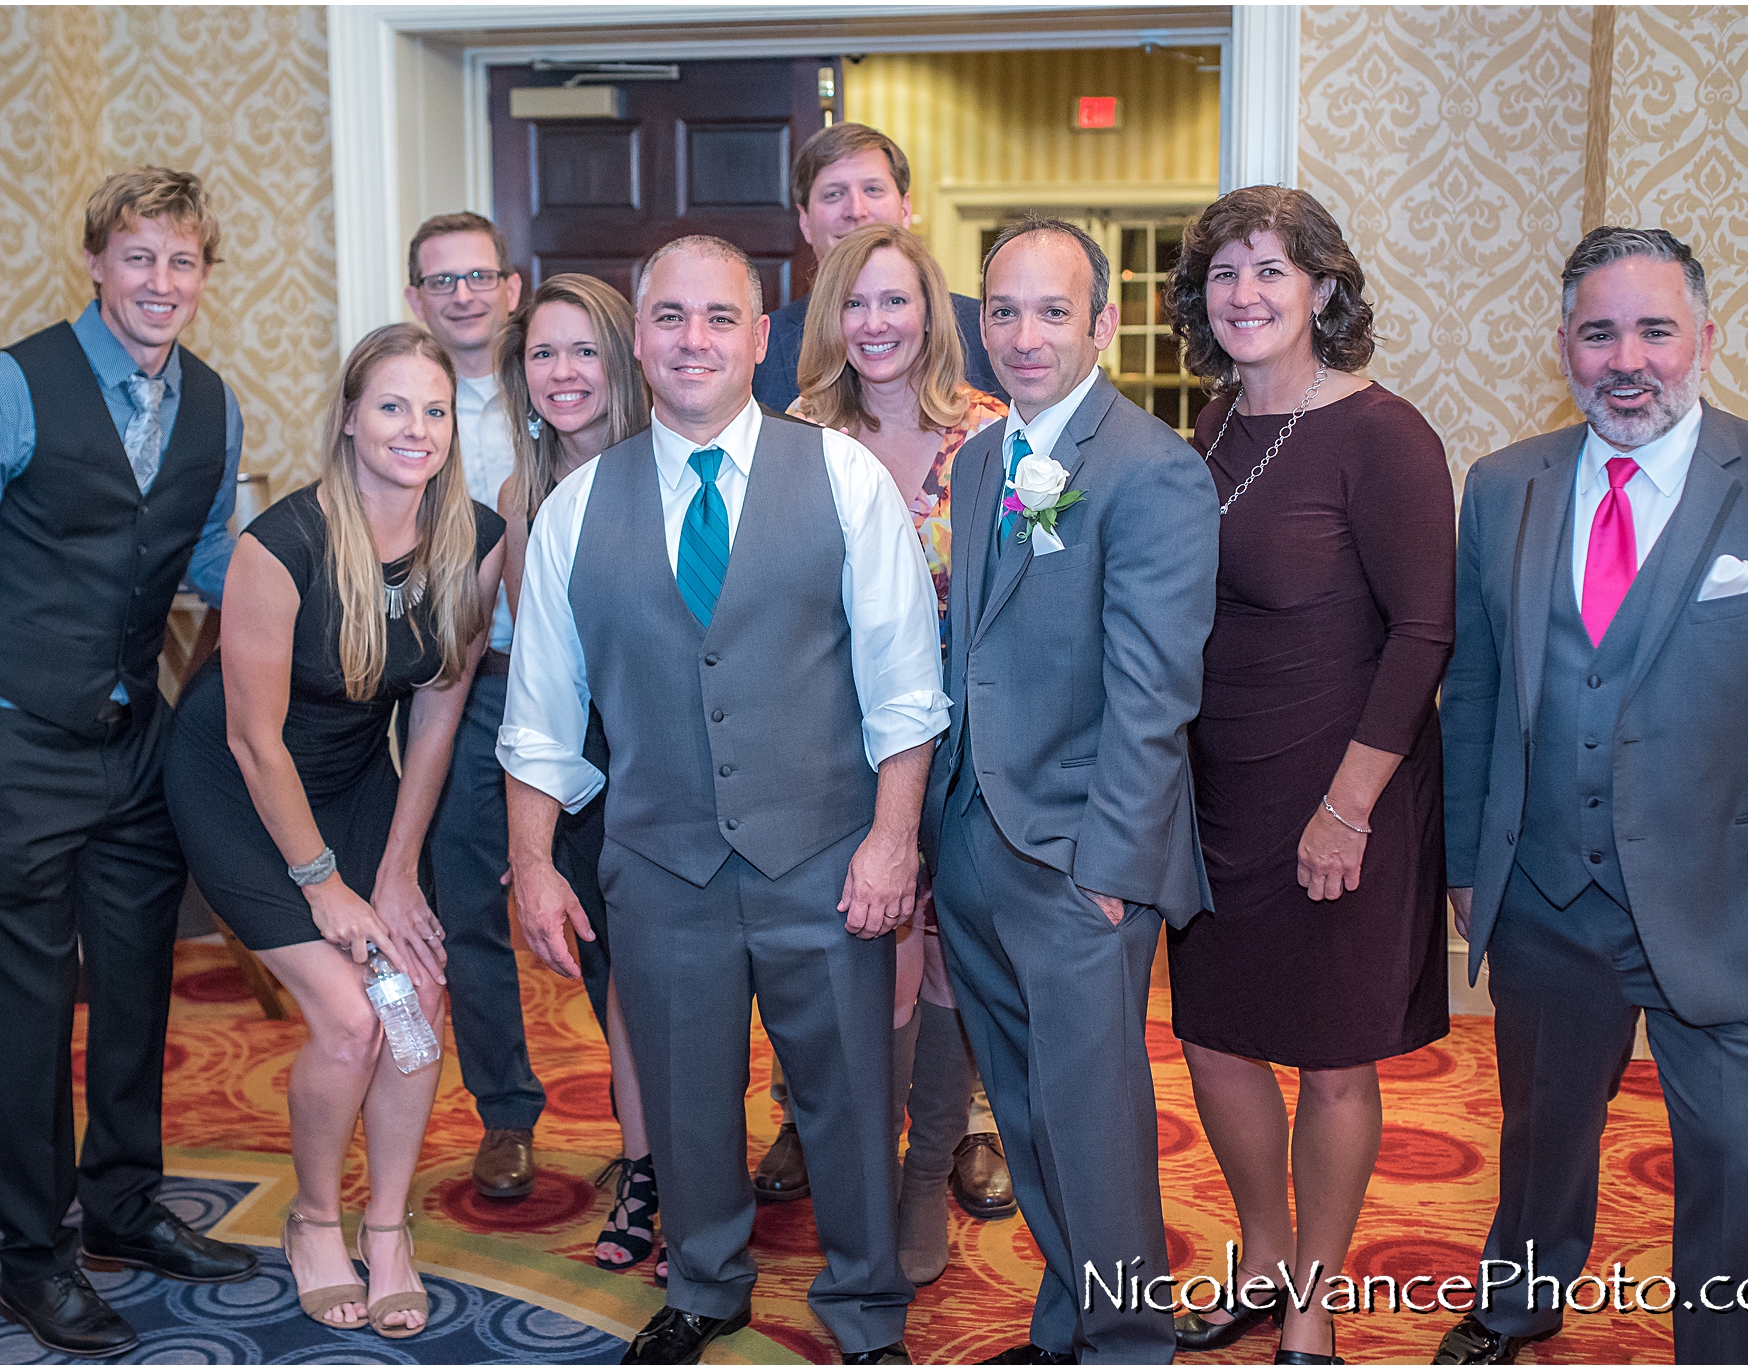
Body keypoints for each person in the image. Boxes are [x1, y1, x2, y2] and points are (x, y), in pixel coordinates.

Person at [1433, 227, 1748, 1365]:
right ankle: (1518, 1299)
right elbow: (1476, 693)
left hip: (1737, 911)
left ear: (1701, 336)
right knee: (1540, 1133)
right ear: (1562, 348)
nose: (1623, 357)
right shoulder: (1502, 487)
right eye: (1597, 333)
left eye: (1652, 328)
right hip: (1544, 897)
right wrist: (1462, 863)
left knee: (1736, 1162)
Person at [500, 234, 945, 1365]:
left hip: (824, 857)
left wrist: (893, 841)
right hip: (658, 867)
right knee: (687, 1099)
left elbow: (905, 687)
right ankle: (702, 1284)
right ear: (637, 340)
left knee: (845, 1100)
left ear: (760, 337)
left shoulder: (842, 478)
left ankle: (863, 1306)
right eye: (668, 318)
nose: (691, 340)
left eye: (717, 318)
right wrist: (536, 863)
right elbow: (542, 718)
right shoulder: (572, 512)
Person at [0, 166, 259, 1358]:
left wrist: (322, 598)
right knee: (33, 1014)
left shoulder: (212, 404)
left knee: (142, 992)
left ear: (204, 277)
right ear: (97, 262)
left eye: (184, 261)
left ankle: (124, 1209)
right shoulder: (3, 386)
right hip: (14, 749)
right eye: (140, 257)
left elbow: (209, 565)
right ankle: (32, 1259)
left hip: (132, 746)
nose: (162, 282)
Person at [1160, 186, 1456, 1364]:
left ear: (1321, 289)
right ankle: (1263, 1258)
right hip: (1219, 783)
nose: (1243, 295)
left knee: (1332, 1057)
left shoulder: (1384, 433)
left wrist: (1346, 807)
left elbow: (1421, 633)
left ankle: (1311, 1309)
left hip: (1342, 787)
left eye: (1269, 272)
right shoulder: (1214, 417)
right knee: (1214, 1038)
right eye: (1223, 275)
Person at [165, 323, 505, 1338]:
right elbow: (250, 736)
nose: (414, 427)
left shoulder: (475, 540)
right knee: (353, 1016)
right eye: (391, 405)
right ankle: (314, 1218)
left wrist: (395, 872)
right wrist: (322, 881)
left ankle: (387, 1225)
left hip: (358, 779)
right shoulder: (280, 544)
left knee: (418, 991)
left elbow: (437, 713)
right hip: (239, 787)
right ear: (351, 417)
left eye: (433, 409)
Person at [922, 216, 1220, 1364]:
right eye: (1001, 310)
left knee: (1092, 1121)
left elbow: (1154, 694)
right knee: (1028, 1106)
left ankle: (1129, 1339)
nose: (1023, 333)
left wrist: (1110, 865)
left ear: (1101, 322)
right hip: (975, 840)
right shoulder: (988, 456)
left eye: (1052, 311)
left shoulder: (1152, 468)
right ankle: (1073, 1317)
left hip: (1080, 855)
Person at [749, 125, 1009, 1220]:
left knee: (953, 966)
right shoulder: (785, 436)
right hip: (832, 751)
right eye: (854, 306)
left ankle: (926, 1166)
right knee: (851, 965)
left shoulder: (996, 432)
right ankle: (829, 1130)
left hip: (975, 756)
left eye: (895, 302)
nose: (875, 321)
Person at [490, 273, 663, 1276]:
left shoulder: (668, 466)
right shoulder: (525, 494)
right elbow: (540, 676)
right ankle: (645, 1166)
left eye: (581, 349)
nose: (561, 372)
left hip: (676, 757)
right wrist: (537, 831)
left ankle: (702, 1159)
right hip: (585, 775)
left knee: (692, 982)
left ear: (621, 359)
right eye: (542, 353)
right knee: (619, 985)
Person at [400, 211, 546, 1202]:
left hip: (568, 686)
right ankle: (505, 1113)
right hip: (461, 686)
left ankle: (648, 1125)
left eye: (477, 276)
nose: (460, 294)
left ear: (512, 286)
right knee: (467, 910)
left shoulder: (558, 383)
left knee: (607, 901)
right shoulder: (400, 403)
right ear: (416, 297)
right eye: (439, 280)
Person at [751, 121, 1003, 414]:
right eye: (834, 194)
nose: (856, 211)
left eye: (873, 189)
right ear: (805, 222)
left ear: (905, 210)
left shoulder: (986, 331)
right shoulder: (763, 348)